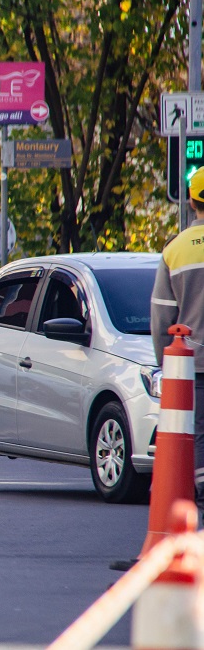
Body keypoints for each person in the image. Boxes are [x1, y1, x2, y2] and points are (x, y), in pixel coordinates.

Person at [150, 167, 204, 525]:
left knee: (196, 433)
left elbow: (161, 318)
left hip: (192, 363)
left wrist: (163, 362)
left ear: (191, 201)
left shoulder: (176, 250)